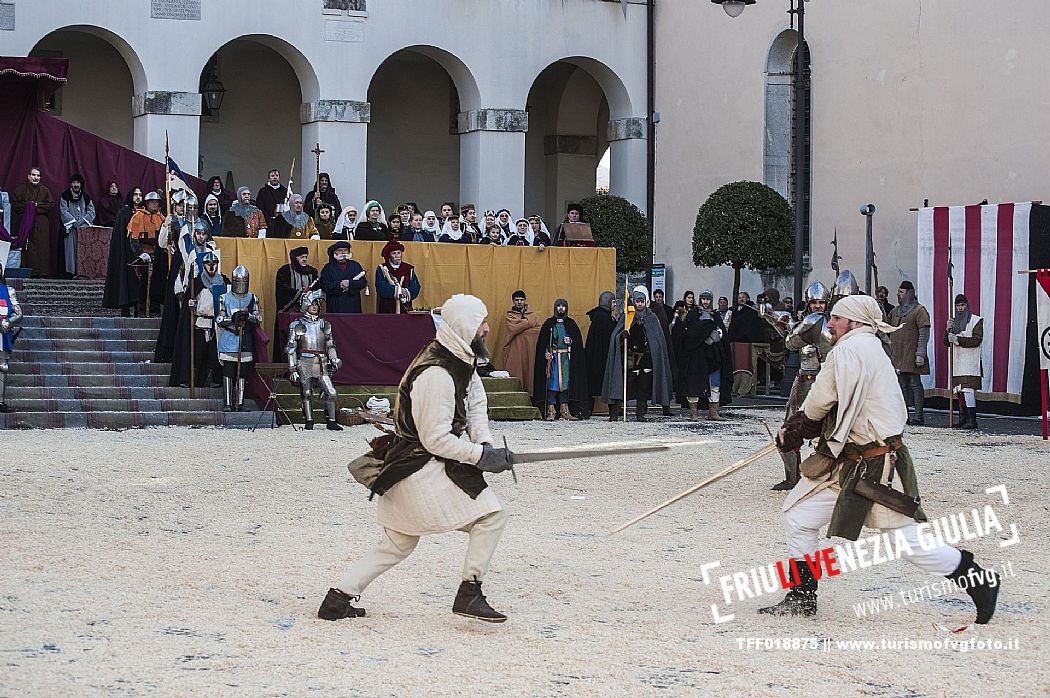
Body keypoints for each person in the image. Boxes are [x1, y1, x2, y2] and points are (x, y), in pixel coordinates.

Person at [764, 295, 1000, 625]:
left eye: (837, 318)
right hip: (853, 461)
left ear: (855, 323)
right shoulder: (873, 348)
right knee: (799, 514)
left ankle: (979, 579)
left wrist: (795, 429)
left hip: (874, 466)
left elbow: (819, 403)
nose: (830, 324)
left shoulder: (846, 351)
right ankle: (802, 597)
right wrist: (801, 427)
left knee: (907, 543)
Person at [318, 293, 514, 623]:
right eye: (481, 322)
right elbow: (435, 439)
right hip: (417, 467)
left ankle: (337, 600)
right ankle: (469, 593)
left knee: (397, 543)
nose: (486, 329)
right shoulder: (436, 372)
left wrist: (486, 445)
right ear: (466, 326)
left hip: (421, 463)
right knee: (491, 516)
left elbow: (476, 405)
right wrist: (480, 456)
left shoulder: (460, 357)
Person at [773, 280, 832, 491]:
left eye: (821, 302)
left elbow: (792, 341)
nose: (818, 306)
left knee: (826, 434)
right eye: (814, 302)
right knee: (787, 430)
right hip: (801, 382)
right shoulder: (806, 321)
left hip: (822, 382)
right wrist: (780, 324)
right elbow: (791, 340)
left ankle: (826, 479)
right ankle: (792, 478)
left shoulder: (829, 325)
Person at [602, 286, 674, 422]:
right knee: (623, 385)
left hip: (646, 358)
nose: (639, 304)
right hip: (630, 357)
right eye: (637, 301)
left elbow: (657, 340)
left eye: (642, 301)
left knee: (644, 387)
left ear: (645, 301)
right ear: (634, 302)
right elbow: (615, 337)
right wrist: (622, 336)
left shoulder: (651, 317)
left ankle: (640, 414)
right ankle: (615, 412)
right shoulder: (627, 316)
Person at [287, 288, 343, 431]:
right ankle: (309, 421)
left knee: (332, 393)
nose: (315, 306)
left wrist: (334, 359)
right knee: (306, 393)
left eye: (317, 304)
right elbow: (291, 348)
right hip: (304, 362)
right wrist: (292, 368)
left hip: (321, 362)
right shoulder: (296, 325)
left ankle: (331, 421)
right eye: (312, 303)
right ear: (305, 304)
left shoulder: (324, 324)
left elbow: (330, 345)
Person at [673, 289, 733, 421]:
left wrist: (716, 336)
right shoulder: (693, 315)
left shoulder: (715, 315)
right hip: (696, 356)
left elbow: (721, 333)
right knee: (694, 383)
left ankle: (713, 412)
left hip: (714, 355)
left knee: (714, 383)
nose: (706, 302)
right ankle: (693, 413)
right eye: (703, 299)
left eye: (708, 299)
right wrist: (703, 335)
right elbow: (689, 335)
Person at [531, 299, 589, 420]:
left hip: (565, 359)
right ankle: (551, 410)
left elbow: (577, 344)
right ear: (555, 308)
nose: (561, 308)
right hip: (553, 360)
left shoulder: (571, 324)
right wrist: (546, 353)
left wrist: (570, 341)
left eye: (563, 306)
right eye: (559, 306)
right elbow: (543, 343)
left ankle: (564, 410)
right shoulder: (548, 324)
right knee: (552, 383)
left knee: (565, 384)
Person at [216, 265, 262, 412]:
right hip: (230, 338)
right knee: (228, 372)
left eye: (244, 282)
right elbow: (219, 319)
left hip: (245, 339)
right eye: (238, 282)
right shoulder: (225, 298)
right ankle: (228, 403)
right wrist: (232, 318)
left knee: (243, 373)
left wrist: (248, 316)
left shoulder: (252, 298)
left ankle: (240, 403)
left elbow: (258, 318)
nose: (241, 285)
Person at [887, 280, 931, 426]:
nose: (898, 294)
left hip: (912, 354)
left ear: (909, 294)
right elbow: (887, 330)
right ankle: (903, 415)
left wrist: (920, 354)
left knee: (915, 384)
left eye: (901, 292)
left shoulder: (919, 311)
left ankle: (918, 416)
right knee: (901, 386)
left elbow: (924, 333)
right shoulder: (894, 311)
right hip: (898, 355)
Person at [184, 251, 227, 389]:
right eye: (208, 264)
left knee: (213, 355)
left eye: (214, 264)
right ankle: (195, 381)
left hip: (217, 324)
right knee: (198, 353)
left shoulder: (223, 282)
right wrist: (191, 304)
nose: (211, 267)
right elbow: (191, 304)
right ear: (204, 266)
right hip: (200, 322)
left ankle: (214, 380)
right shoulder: (197, 282)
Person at [102, 187, 143, 316]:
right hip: (126, 253)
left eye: (140, 195)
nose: (138, 197)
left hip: (140, 252)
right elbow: (119, 237)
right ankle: (125, 306)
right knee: (125, 279)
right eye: (135, 194)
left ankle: (139, 307)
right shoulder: (123, 213)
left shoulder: (144, 214)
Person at [945, 293, 983, 430]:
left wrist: (958, 340)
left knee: (968, 390)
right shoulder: (953, 322)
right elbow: (946, 342)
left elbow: (977, 340)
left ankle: (972, 420)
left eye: (962, 305)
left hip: (970, 361)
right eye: (958, 305)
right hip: (957, 361)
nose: (960, 308)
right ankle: (963, 418)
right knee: (959, 391)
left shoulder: (976, 320)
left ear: (967, 305)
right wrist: (947, 330)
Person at [275, 247, 320, 361]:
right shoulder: (285, 271)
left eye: (306, 257)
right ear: (295, 258)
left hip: (308, 312)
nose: (304, 259)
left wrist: (310, 297)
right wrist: (299, 293)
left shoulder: (312, 272)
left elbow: (317, 290)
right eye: (301, 257)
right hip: (291, 310)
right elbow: (282, 289)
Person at [126, 191, 166, 315]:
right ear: (147, 203)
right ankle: (141, 308)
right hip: (143, 255)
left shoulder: (161, 218)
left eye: (156, 202)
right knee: (143, 282)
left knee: (159, 280)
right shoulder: (138, 216)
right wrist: (140, 253)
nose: (154, 204)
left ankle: (156, 307)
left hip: (158, 254)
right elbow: (133, 238)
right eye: (152, 202)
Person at [11, 166, 55, 276]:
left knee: (42, 247)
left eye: (38, 175)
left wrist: (36, 206)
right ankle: (28, 271)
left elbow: (50, 205)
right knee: (28, 247)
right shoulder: (21, 189)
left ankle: (42, 272)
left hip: (41, 224)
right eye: (33, 175)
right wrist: (28, 207)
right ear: (28, 176)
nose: (36, 177)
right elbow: (15, 205)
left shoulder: (45, 190)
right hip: (26, 222)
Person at [501, 290, 542, 396]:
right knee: (516, 372)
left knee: (530, 373)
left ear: (525, 300)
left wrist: (521, 327)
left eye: (521, 300)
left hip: (530, 349)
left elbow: (538, 330)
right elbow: (513, 328)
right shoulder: (510, 316)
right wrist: (529, 323)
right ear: (513, 301)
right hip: (516, 349)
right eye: (517, 300)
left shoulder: (532, 315)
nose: (519, 302)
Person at [585, 290, 618, 415]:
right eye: (613, 302)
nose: (615, 304)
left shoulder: (605, 317)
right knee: (603, 381)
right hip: (600, 356)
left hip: (602, 355)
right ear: (607, 302)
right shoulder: (602, 318)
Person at [59, 173, 96, 277]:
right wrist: (73, 221)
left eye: (78, 183)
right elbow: (64, 211)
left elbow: (91, 210)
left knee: (83, 250)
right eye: (74, 182)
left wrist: (83, 221)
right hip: (70, 229)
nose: (76, 185)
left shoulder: (86, 197)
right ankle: (71, 273)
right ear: (71, 184)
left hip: (83, 229)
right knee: (70, 252)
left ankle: (82, 272)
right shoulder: (64, 196)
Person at [0, 262, 23, 412]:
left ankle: (0, 402)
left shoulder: (9, 291)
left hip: (2, 334)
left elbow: (19, 313)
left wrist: (8, 322)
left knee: (2, 366)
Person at [321, 241, 368, 314]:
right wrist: (339, 284)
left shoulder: (355, 265)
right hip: (335, 304)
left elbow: (363, 283)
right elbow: (324, 285)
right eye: (340, 250)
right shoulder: (328, 268)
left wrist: (350, 283)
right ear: (335, 253)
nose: (343, 253)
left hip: (353, 304)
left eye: (345, 250)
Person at [375, 240, 420, 314]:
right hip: (387, 308)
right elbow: (380, 286)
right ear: (389, 255)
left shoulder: (408, 269)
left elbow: (416, 286)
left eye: (399, 253)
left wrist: (406, 291)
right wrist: (398, 291)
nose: (397, 256)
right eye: (394, 253)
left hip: (405, 307)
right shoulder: (382, 269)